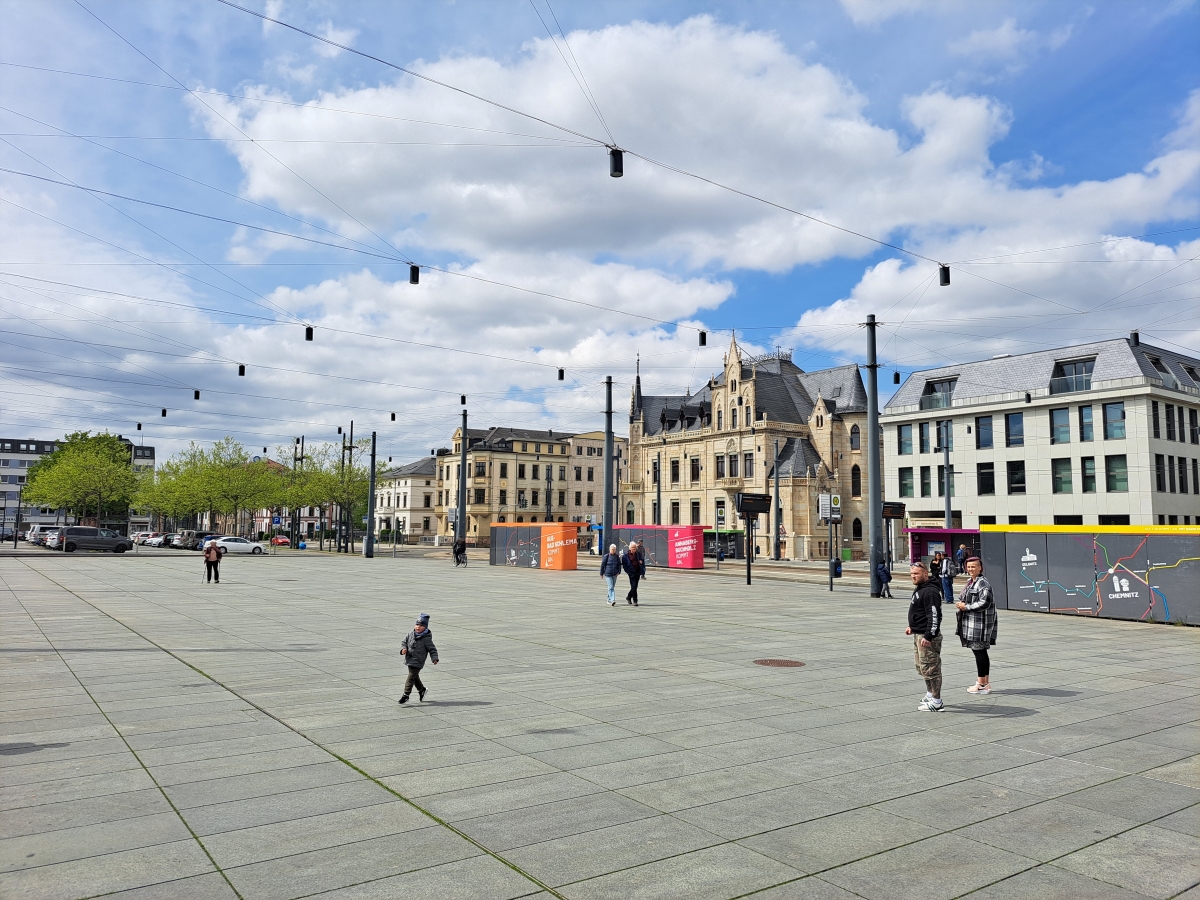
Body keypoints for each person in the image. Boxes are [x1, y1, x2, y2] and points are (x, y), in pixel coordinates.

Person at [955, 557, 997, 694]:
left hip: (979, 624)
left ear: (980, 568)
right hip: (973, 623)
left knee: (979, 653)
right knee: (981, 652)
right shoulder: (971, 582)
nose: (971, 569)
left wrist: (966, 607)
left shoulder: (982, 583)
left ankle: (981, 684)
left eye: (974, 566)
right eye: (969, 567)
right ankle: (984, 683)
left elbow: (985, 603)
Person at [906, 561, 944, 711]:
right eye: (911, 574)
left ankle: (937, 702)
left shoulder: (930, 592)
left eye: (916, 574)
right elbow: (920, 611)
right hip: (919, 633)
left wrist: (928, 636)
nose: (913, 577)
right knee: (923, 667)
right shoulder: (921, 589)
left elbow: (934, 615)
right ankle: (930, 694)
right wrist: (912, 626)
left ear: (925, 573)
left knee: (931, 668)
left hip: (927, 636)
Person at [398, 613, 438, 704]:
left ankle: (406, 695)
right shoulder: (411, 634)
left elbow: (432, 649)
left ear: (425, 627)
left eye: (421, 625)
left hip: (418, 661)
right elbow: (404, 642)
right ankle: (422, 690)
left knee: (411, 677)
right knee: (414, 677)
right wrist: (403, 649)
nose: (418, 627)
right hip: (409, 659)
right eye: (417, 625)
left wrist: (434, 658)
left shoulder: (426, 639)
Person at [622, 540, 645, 606]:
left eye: (635, 548)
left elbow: (642, 561)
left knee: (634, 587)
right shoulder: (626, 556)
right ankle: (635, 601)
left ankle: (628, 597)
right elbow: (624, 565)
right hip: (631, 573)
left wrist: (641, 562)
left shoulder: (638, 554)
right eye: (633, 548)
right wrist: (628, 571)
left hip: (637, 572)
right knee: (634, 586)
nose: (634, 549)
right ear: (630, 548)